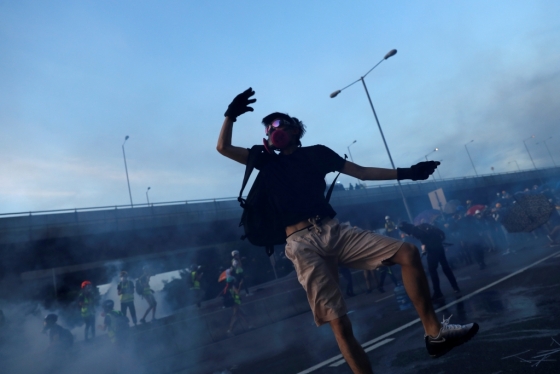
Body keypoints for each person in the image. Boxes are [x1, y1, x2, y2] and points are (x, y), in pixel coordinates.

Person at [216, 88, 478, 371]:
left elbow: (363, 172)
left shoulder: (317, 154)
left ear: (294, 129)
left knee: (408, 253)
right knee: (339, 323)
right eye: (268, 129)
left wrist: (408, 172)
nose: (272, 130)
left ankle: (435, 334)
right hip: (300, 244)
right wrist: (230, 115)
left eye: (278, 124)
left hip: (333, 231)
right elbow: (223, 148)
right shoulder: (264, 160)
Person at [399, 222, 460, 300]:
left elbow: (423, 241)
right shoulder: (421, 227)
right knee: (446, 268)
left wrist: (424, 249)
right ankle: (455, 287)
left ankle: (438, 292)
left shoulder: (415, 231)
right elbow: (437, 234)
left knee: (432, 270)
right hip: (439, 248)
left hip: (433, 251)